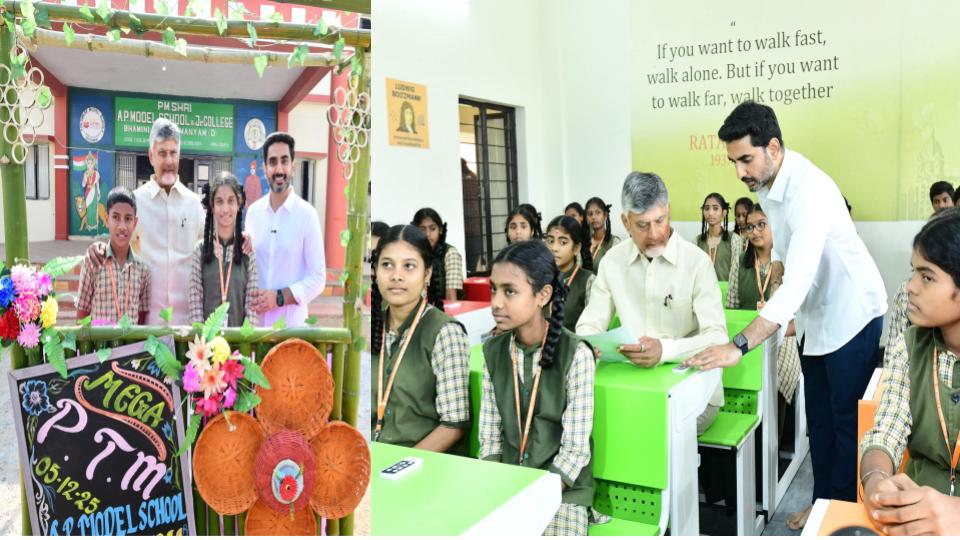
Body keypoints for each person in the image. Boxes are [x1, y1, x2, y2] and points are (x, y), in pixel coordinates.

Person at [688, 101, 887, 529]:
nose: (739, 172)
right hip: (816, 321)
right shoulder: (768, 183)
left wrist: (738, 345)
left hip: (853, 315)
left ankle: (846, 519)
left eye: (745, 158)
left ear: (773, 147)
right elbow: (783, 241)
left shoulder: (809, 189)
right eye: (733, 161)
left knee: (846, 426)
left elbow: (797, 285)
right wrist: (776, 260)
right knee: (818, 420)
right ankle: (822, 507)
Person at [578, 172, 726, 434]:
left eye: (660, 220)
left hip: (692, 388)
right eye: (642, 225)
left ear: (668, 210)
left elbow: (717, 337)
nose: (656, 234)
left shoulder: (697, 262)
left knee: (652, 426)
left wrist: (665, 351)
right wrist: (593, 346)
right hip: (631, 384)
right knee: (592, 420)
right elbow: (588, 325)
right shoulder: (613, 262)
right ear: (625, 221)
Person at [481, 240, 596, 535]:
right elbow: (490, 438)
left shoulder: (576, 354)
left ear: (543, 295)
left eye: (510, 291)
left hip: (561, 492)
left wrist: (535, 498)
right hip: (506, 485)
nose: (496, 302)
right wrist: (496, 489)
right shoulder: (493, 352)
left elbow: (575, 450)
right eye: (494, 289)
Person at [860, 209, 960, 536]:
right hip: (914, 515)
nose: (910, 287)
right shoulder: (910, 345)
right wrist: (875, 481)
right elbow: (888, 427)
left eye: (927, 277)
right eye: (913, 273)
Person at [85, 118, 205, 326]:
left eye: (173, 153)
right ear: (151, 156)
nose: (168, 161)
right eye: (162, 153)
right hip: (146, 324)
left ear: (179, 156)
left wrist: (243, 238)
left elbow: (215, 244)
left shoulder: (194, 204)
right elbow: (119, 240)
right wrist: (99, 247)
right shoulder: (136, 202)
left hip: (187, 325)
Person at [371, 225, 470, 452]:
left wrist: (400, 465)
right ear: (375, 271)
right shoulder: (372, 327)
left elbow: (453, 425)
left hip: (421, 467)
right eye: (387, 265)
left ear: (427, 273)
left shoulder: (445, 333)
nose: (396, 276)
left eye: (409, 266)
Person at [725, 204, 800, 438]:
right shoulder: (741, 261)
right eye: (750, 227)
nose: (755, 231)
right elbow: (732, 305)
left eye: (761, 225)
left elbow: (801, 314)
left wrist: (780, 331)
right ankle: (745, 432)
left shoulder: (790, 262)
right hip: (749, 333)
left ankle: (773, 440)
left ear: (773, 227)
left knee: (780, 367)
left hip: (785, 333)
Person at [244, 132, 326, 327]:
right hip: (256, 327)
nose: (279, 169)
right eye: (273, 162)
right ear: (264, 168)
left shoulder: (307, 215)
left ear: (293, 167)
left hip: (292, 328)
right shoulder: (253, 213)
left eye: (284, 161)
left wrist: (280, 297)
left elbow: (318, 279)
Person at [188, 172, 259, 326]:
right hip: (207, 345)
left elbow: (252, 306)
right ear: (212, 206)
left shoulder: (247, 251)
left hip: (239, 347)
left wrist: (243, 344)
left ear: (239, 203)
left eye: (231, 201)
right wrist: (203, 343)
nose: (225, 209)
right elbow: (195, 305)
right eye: (219, 202)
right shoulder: (200, 251)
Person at [77, 187, 151, 325]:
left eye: (128, 219)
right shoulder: (94, 262)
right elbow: (82, 312)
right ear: (106, 219)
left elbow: (141, 317)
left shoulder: (143, 270)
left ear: (135, 223)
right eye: (115, 217)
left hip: (131, 346)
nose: (122, 226)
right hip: (100, 345)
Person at [544, 215, 595, 332]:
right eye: (550, 241)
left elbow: (594, 325)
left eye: (562, 242)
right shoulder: (539, 278)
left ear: (576, 248)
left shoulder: (588, 280)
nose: (554, 248)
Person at [413, 208, 463, 302]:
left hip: (445, 312)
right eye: (422, 229)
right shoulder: (413, 254)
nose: (427, 234)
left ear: (440, 230)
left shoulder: (450, 254)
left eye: (432, 229)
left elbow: (451, 297)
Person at [695, 192, 741, 282]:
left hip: (726, 294)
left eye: (715, 208)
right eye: (707, 208)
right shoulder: (696, 241)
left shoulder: (734, 240)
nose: (710, 213)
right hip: (703, 293)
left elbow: (737, 274)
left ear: (724, 212)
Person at [584, 197, 621, 270]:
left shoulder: (614, 242)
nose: (593, 217)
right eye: (590, 214)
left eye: (598, 212)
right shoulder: (584, 242)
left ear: (605, 215)